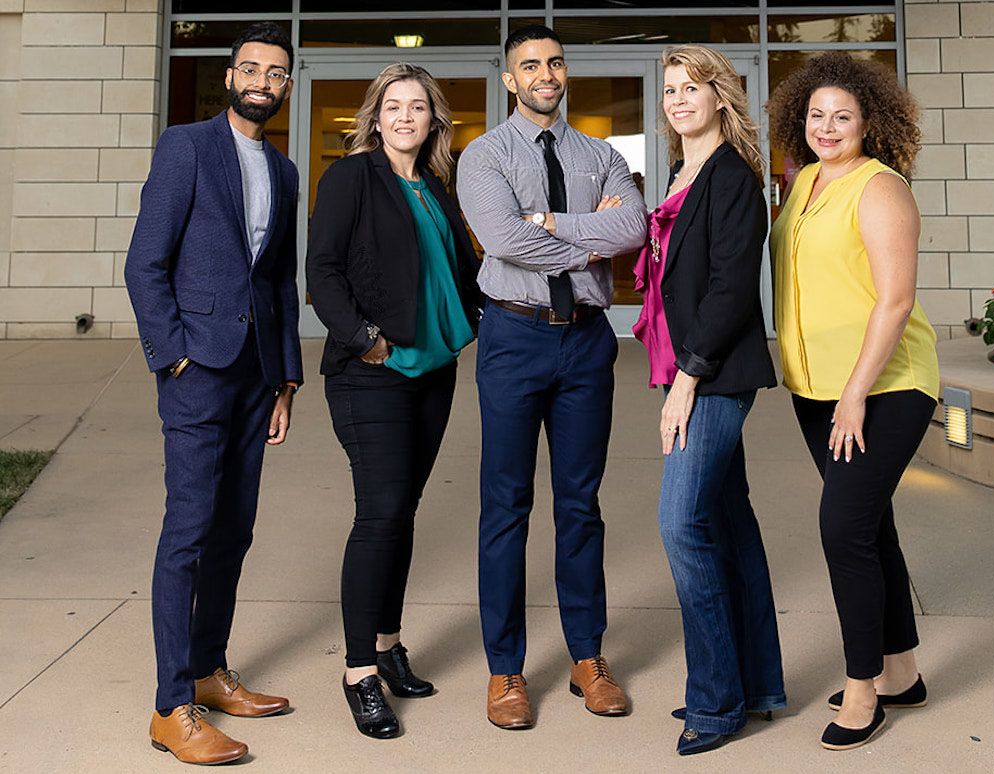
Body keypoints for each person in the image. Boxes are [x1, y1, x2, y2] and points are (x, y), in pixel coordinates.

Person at [457, 24, 647, 730]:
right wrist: (581, 235)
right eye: (529, 65)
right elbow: (502, 239)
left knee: (580, 505)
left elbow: (634, 227)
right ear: (509, 79)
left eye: (555, 62)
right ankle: (506, 670)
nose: (545, 73)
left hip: (587, 346)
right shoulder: (484, 155)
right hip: (511, 338)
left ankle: (587, 659)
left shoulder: (602, 154)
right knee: (505, 507)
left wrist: (545, 220)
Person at [124, 22, 301, 766]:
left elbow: (278, 281)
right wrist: (175, 359)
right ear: (230, 76)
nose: (263, 80)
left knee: (234, 529)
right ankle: (172, 706)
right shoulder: (186, 147)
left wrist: (285, 378)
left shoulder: (287, 171)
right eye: (251, 68)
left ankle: (208, 668)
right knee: (190, 532)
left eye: (277, 73)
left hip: (257, 373)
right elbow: (145, 264)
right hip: (199, 368)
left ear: (286, 88)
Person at [767, 51, 939, 751]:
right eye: (817, 116)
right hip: (815, 388)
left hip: (884, 386)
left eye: (843, 116)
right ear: (799, 120)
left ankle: (864, 687)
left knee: (843, 530)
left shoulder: (881, 187)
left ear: (870, 122)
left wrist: (857, 395)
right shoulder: (803, 181)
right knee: (871, 527)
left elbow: (895, 301)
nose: (828, 126)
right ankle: (902, 670)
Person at [306, 63, 482, 740]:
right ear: (375, 117)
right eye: (392, 106)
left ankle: (387, 643)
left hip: (432, 371)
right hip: (371, 372)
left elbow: (455, 269)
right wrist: (365, 340)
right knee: (379, 512)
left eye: (417, 107)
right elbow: (321, 268)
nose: (404, 116)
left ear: (433, 119)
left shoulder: (436, 186)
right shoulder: (352, 177)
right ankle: (358, 673)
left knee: (401, 510)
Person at [631, 44, 786, 756]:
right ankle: (752, 687)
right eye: (669, 90)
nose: (678, 99)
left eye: (691, 88)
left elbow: (730, 290)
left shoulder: (732, 177)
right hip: (687, 369)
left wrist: (686, 382)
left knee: (680, 525)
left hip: (716, 375)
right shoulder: (681, 170)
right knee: (727, 526)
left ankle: (716, 701)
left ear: (720, 96)